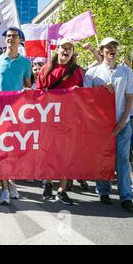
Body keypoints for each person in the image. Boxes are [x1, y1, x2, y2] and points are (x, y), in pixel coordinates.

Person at [84, 37, 133, 213]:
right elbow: (85, 98)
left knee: (123, 160)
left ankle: (126, 197)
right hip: (101, 126)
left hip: (122, 124)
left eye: (114, 46)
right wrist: (100, 90)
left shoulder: (127, 72)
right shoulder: (92, 73)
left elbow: (130, 97)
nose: (112, 49)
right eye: (108, 47)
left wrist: (123, 121)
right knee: (103, 158)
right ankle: (103, 191)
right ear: (101, 51)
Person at [0, 26, 32, 205]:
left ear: (20, 40)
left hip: (17, 112)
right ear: (5, 40)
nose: (11, 39)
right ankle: (4, 188)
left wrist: (27, 90)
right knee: (1, 150)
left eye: (15, 36)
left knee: (14, 150)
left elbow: (27, 85)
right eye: (9, 36)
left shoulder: (26, 63)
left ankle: (11, 181)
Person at [36, 38, 84, 205]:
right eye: (64, 47)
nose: (67, 50)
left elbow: (85, 95)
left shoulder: (78, 71)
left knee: (66, 154)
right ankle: (48, 184)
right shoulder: (46, 68)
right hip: (49, 118)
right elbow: (38, 93)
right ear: (58, 49)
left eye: (70, 48)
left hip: (69, 119)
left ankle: (62, 189)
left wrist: (80, 91)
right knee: (49, 152)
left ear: (72, 52)